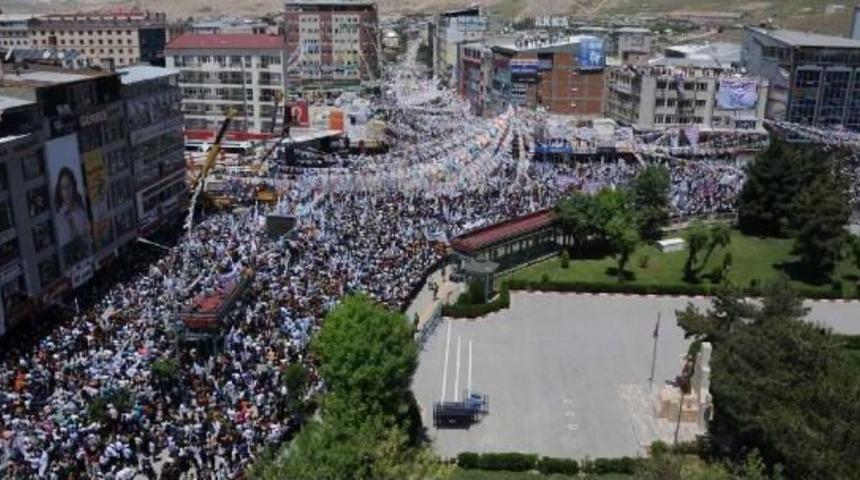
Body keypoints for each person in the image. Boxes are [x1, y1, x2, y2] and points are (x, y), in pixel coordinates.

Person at [54, 167, 90, 262]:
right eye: (63, 188)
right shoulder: (59, 217)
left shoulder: (82, 209)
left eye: (68, 186)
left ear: (74, 186)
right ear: (60, 191)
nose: (67, 192)